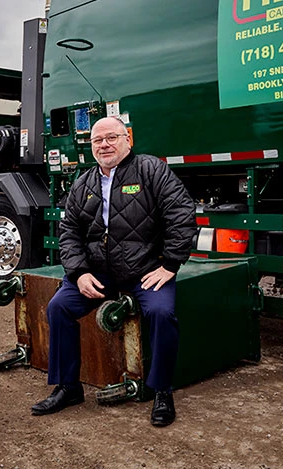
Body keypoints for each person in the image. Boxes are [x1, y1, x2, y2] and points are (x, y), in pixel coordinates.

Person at [31, 117, 196, 426]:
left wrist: (170, 263)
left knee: (161, 313)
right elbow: (68, 232)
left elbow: (182, 213)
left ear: (127, 140)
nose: (104, 144)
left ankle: (161, 391)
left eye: (111, 138)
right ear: (91, 146)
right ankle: (68, 387)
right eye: (97, 140)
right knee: (58, 308)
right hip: (98, 272)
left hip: (144, 270)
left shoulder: (151, 170)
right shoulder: (84, 182)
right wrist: (78, 272)